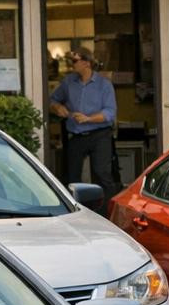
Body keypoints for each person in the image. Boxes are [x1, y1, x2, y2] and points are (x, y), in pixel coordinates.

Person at [49, 50, 119, 206]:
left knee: (102, 173)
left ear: (86, 63)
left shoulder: (104, 85)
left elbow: (110, 112)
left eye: (74, 61)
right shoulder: (68, 82)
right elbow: (53, 99)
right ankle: (74, 209)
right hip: (76, 135)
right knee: (72, 175)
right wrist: (57, 107)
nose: (71, 64)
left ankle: (106, 211)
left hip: (100, 134)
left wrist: (89, 118)